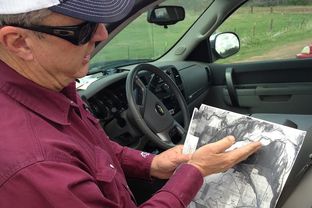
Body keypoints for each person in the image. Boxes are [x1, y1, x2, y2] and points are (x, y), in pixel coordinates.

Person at [0, 0, 261, 207]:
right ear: (19, 42)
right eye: (84, 29)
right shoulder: (34, 163)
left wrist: (150, 164)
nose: (102, 33)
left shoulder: (52, 84)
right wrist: (194, 171)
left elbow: (92, 148)